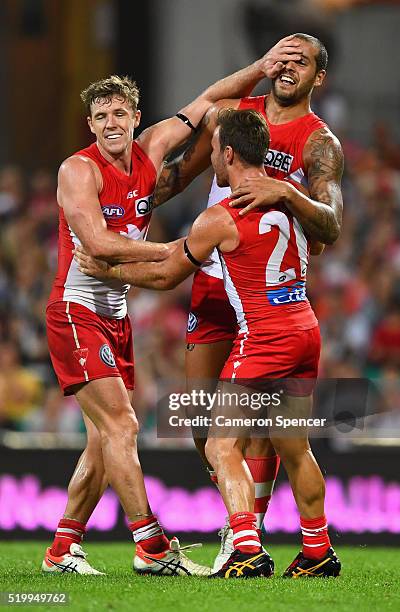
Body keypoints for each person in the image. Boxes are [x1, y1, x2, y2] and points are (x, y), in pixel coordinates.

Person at [75, 107, 342, 578]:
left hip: (264, 335)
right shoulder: (293, 200)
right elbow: (320, 241)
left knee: (221, 445)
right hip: (305, 329)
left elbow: (165, 273)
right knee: (294, 445)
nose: (211, 158)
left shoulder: (220, 216)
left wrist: (107, 269)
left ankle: (245, 546)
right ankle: (318, 549)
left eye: (215, 149)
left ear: (230, 153)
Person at [43, 54, 279, 576]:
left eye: (119, 114)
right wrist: (176, 249)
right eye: (101, 116)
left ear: (135, 117)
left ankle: (62, 549)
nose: (111, 124)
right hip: (76, 310)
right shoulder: (77, 170)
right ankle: (151, 547)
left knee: (104, 441)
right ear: (91, 125)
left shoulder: (151, 148)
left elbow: (211, 100)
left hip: (117, 312)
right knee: (122, 427)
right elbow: (97, 243)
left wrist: (262, 66)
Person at [150, 32, 342, 570]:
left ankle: (246, 536)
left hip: (264, 293)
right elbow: (179, 168)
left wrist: (286, 192)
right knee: (197, 418)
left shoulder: (319, 142)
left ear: (317, 79)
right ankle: (277, 535)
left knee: (255, 428)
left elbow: (332, 224)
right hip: (215, 279)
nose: (288, 67)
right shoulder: (234, 115)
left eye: (301, 62)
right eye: (282, 56)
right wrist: (130, 204)